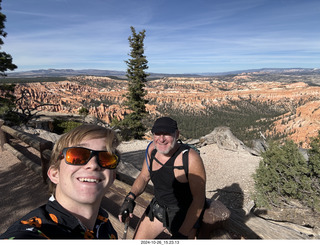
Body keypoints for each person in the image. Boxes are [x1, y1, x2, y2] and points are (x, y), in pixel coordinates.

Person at [0, 124, 120, 239]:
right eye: (77, 156)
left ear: (112, 178)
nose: (93, 165)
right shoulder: (33, 233)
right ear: (54, 174)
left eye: (106, 158)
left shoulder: (104, 225)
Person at [118, 117, 206, 239]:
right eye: (157, 134)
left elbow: (198, 200)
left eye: (167, 134)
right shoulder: (151, 150)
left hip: (184, 214)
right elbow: (144, 176)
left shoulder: (190, 159)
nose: (161, 139)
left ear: (177, 134)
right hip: (158, 208)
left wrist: (182, 233)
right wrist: (130, 198)